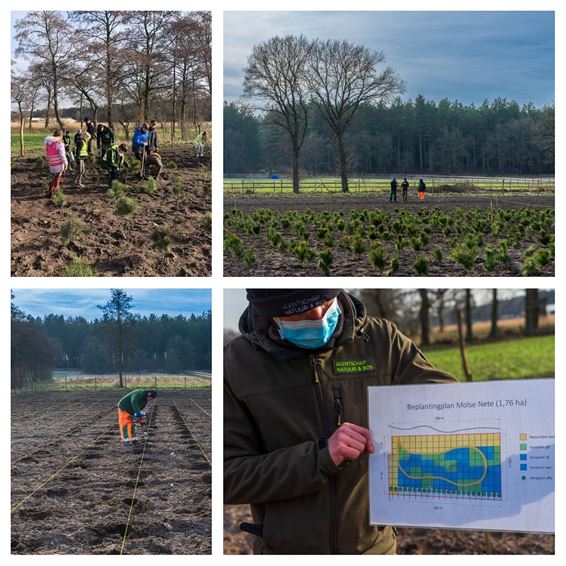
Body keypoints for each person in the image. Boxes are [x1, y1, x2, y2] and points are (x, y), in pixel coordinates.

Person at [224, 289, 458, 555]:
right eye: (299, 314)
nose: (318, 318)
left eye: (325, 304)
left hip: (374, 549)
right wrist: (320, 458)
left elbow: (447, 398)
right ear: (269, 312)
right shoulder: (235, 366)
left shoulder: (382, 340)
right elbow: (227, 477)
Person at [43, 129, 68, 197]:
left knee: (55, 176)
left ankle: (51, 191)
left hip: (52, 162)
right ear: (61, 135)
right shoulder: (59, 144)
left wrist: (48, 161)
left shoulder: (48, 143)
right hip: (58, 162)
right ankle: (54, 191)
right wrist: (66, 163)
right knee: (57, 177)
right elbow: (62, 155)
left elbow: (47, 153)